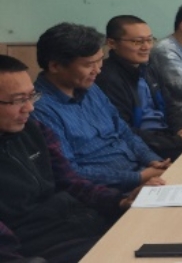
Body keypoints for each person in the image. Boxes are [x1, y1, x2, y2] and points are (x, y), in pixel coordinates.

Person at [0, 55, 137, 263]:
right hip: (36, 244)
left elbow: (69, 181)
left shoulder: (33, 129)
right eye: (18, 100)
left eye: (31, 96)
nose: (29, 108)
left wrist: (119, 201)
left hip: (74, 221)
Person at [32, 23, 170, 192]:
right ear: (55, 66)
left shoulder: (91, 89)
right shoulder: (39, 110)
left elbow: (124, 132)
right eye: (89, 65)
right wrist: (139, 177)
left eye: (99, 61)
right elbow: (70, 172)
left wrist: (152, 160)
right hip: (107, 192)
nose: (97, 70)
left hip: (142, 172)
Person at [96, 15, 182, 161]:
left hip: (168, 136)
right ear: (112, 43)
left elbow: (170, 105)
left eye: (150, 40)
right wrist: (174, 141)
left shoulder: (148, 67)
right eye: (137, 42)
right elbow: (123, 130)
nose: (146, 47)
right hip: (145, 146)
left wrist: (181, 129)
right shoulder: (107, 78)